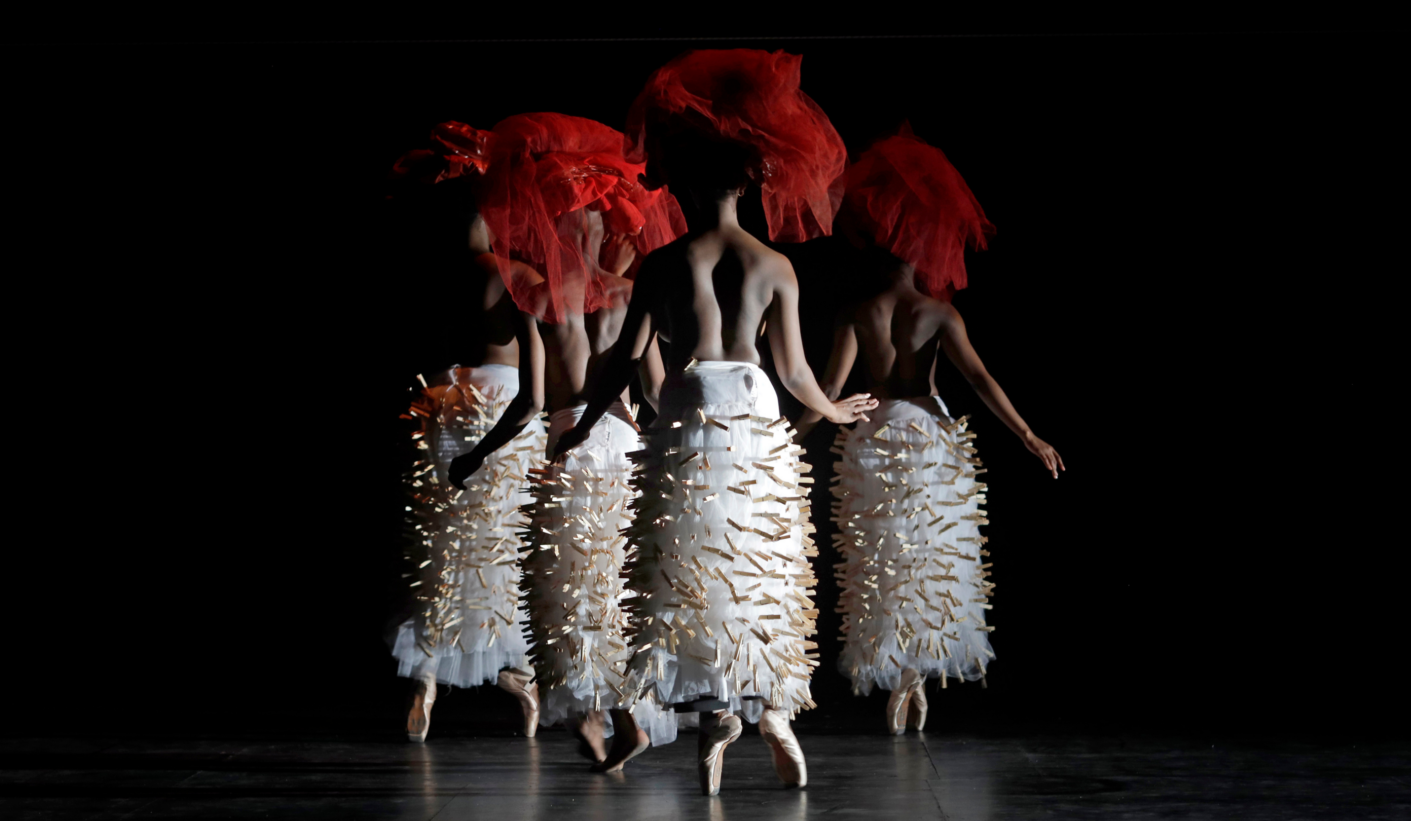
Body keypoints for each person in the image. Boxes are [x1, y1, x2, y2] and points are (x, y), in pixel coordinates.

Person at [551, 49, 877, 794]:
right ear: (751, 181)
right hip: (754, 407)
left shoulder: (664, 265)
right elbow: (793, 371)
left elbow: (626, 361)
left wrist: (581, 426)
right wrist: (832, 408)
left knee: (690, 561)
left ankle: (712, 723)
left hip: (689, 404)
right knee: (757, 560)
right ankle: (771, 713)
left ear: (694, 185)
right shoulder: (774, 265)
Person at [795, 123, 1064, 734]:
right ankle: (916, 674)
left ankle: (898, 671)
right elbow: (982, 379)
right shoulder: (938, 311)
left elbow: (832, 392)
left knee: (883, 558)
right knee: (934, 554)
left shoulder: (857, 312)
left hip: (873, 433)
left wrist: (794, 434)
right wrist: (1028, 435)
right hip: (930, 437)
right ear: (921, 249)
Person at [446, 112, 683, 765]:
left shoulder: (538, 297)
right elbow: (658, 393)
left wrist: (476, 454)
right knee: (615, 583)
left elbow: (528, 401)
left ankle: (596, 712)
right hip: (622, 443)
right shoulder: (628, 294)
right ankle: (626, 709)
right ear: (605, 229)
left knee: (570, 585)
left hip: (570, 446)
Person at [388, 122, 548, 743]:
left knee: (445, 550)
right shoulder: (519, 277)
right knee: (501, 550)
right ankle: (518, 676)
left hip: (445, 400)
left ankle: (426, 677)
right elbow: (535, 395)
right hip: (500, 406)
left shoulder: (439, 274)